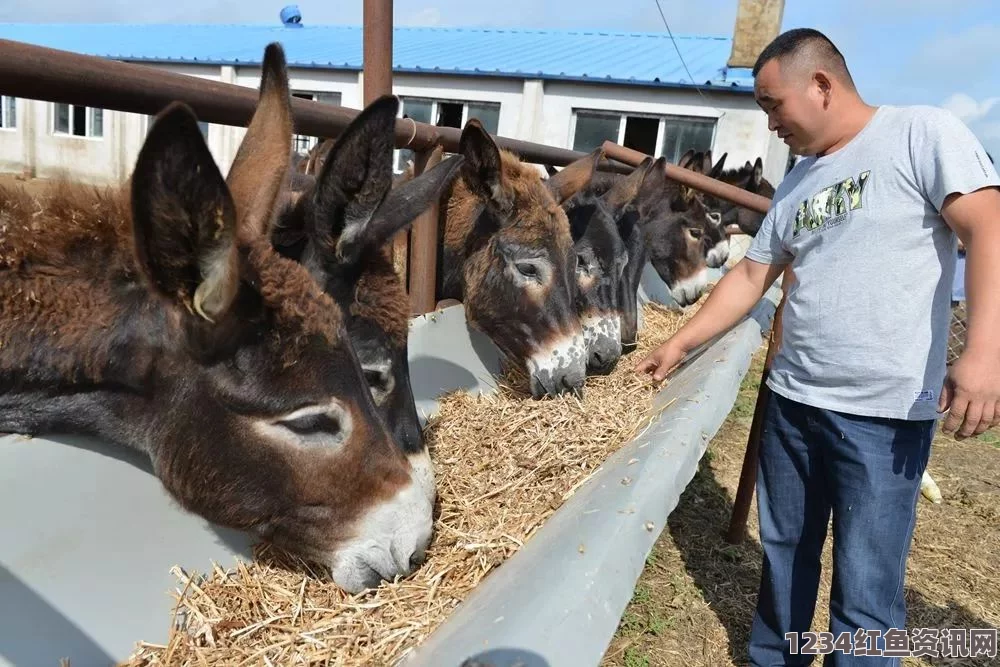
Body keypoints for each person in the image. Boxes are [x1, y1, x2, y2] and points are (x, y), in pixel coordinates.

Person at [635, 28, 1000, 666]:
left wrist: (984, 353)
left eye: (773, 104)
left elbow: (988, 227)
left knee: (865, 584)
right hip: (793, 403)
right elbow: (752, 275)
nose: (769, 122)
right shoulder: (800, 181)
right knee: (784, 557)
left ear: (822, 85)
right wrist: (681, 342)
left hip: (882, 415)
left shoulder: (920, 134)